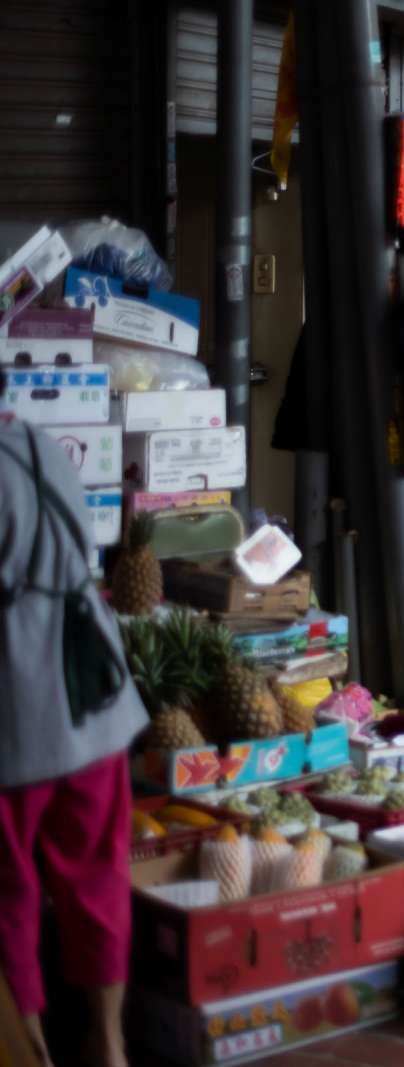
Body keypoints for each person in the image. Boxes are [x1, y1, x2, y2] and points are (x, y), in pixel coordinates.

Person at [0, 399, 149, 1067]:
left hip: (17, 713)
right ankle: (109, 1043)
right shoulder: (38, 444)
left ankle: (28, 1050)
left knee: (8, 892)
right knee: (96, 879)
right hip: (93, 701)